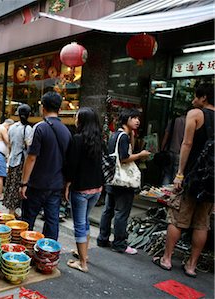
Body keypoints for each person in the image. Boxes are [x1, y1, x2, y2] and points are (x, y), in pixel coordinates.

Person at [153, 83, 214, 278]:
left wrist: (180, 173)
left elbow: (186, 143)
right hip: (211, 181)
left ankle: (167, 258)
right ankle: (191, 266)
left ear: (203, 97)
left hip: (192, 177)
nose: (193, 100)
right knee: (202, 223)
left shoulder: (195, 114)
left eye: (196, 96)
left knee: (178, 218)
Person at [97, 108, 151, 254]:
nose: (137, 121)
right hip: (123, 182)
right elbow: (124, 158)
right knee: (121, 212)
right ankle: (119, 243)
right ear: (126, 119)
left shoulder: (115, 135)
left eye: (138, 118)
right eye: (134, 118)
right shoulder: (123, 137)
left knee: (108, 210)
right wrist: (140, 155)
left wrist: (132, 136)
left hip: (113, 179)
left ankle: (102, 238)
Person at [19, 91, 72, 240]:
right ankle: (48, 255)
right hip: (56, 185)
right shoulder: (67, 132)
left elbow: (31, 158)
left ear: (43, 108)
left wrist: (23, 183)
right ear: (59, 109)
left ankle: (25, 252)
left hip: (36, 183)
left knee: (28, 220)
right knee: (52, 220)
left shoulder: (40, 128)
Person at [64, 107, 103, 273]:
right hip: (97, 188)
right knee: (85, 221)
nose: (75, 119)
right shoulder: (99, 139)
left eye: (76, 117)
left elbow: (71, 166)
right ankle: (84, 254)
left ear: (82, 120)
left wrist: (66, 185)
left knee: (80, 224)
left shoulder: (77, 139)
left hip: (80, 188)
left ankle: (82, 263)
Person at [4, 105, 33, 216]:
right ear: (29, 115)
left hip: (12, 159)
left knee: (11, 185)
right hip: (21, 162)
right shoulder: (28, 129)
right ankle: (12, 214)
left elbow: (9, 143)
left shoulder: (12, 127)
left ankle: (11, 212)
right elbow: (29, 147)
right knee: (18, 187)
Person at [160, 113, 186, 185]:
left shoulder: (173, 121)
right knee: (177, 174)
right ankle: (172, 192)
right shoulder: (189, 122)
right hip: (181, 152)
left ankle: (164, 190)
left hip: (170, 150)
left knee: (167, 173)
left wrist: (162, 149)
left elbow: (166, 135)